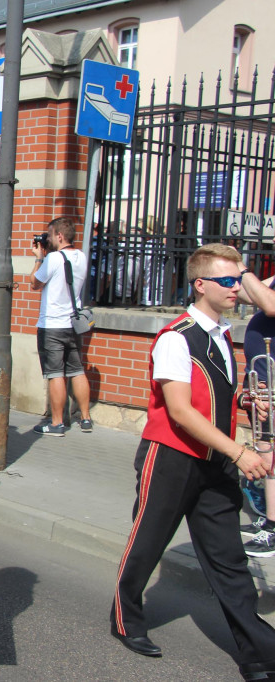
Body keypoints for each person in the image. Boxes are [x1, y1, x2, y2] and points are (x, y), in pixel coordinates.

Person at [110, 244, 275, 678]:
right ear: (200, 285)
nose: (236, 288)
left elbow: (214, 393)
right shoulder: (175, 338)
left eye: (238, 280)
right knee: (147, 543)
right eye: (227, 281)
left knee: (230, 561)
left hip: (214, 461)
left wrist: (244, 399)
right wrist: (240, 452)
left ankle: (260, 654)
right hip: (171, 458)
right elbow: (180, 410)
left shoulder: (222, 335)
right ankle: (126, 619)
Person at [30, 216, 92, 435]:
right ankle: (85, 418)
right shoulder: (81, 257)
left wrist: (39, 258)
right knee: (76, 370)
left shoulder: (54, 259)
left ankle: (57, 423)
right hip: (73, 324)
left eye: (49, 235)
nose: (47, 239)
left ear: (59, 235)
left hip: (53, 324)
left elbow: (35, 283)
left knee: (55, 373)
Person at [236, 260, 275, 558]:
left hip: (271, 384)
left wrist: (243, 267)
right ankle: (269, 519)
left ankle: (273, 530)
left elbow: (269, 305)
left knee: (271, 455)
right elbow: (248, 294)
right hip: (261, 382)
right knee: (266, 450)